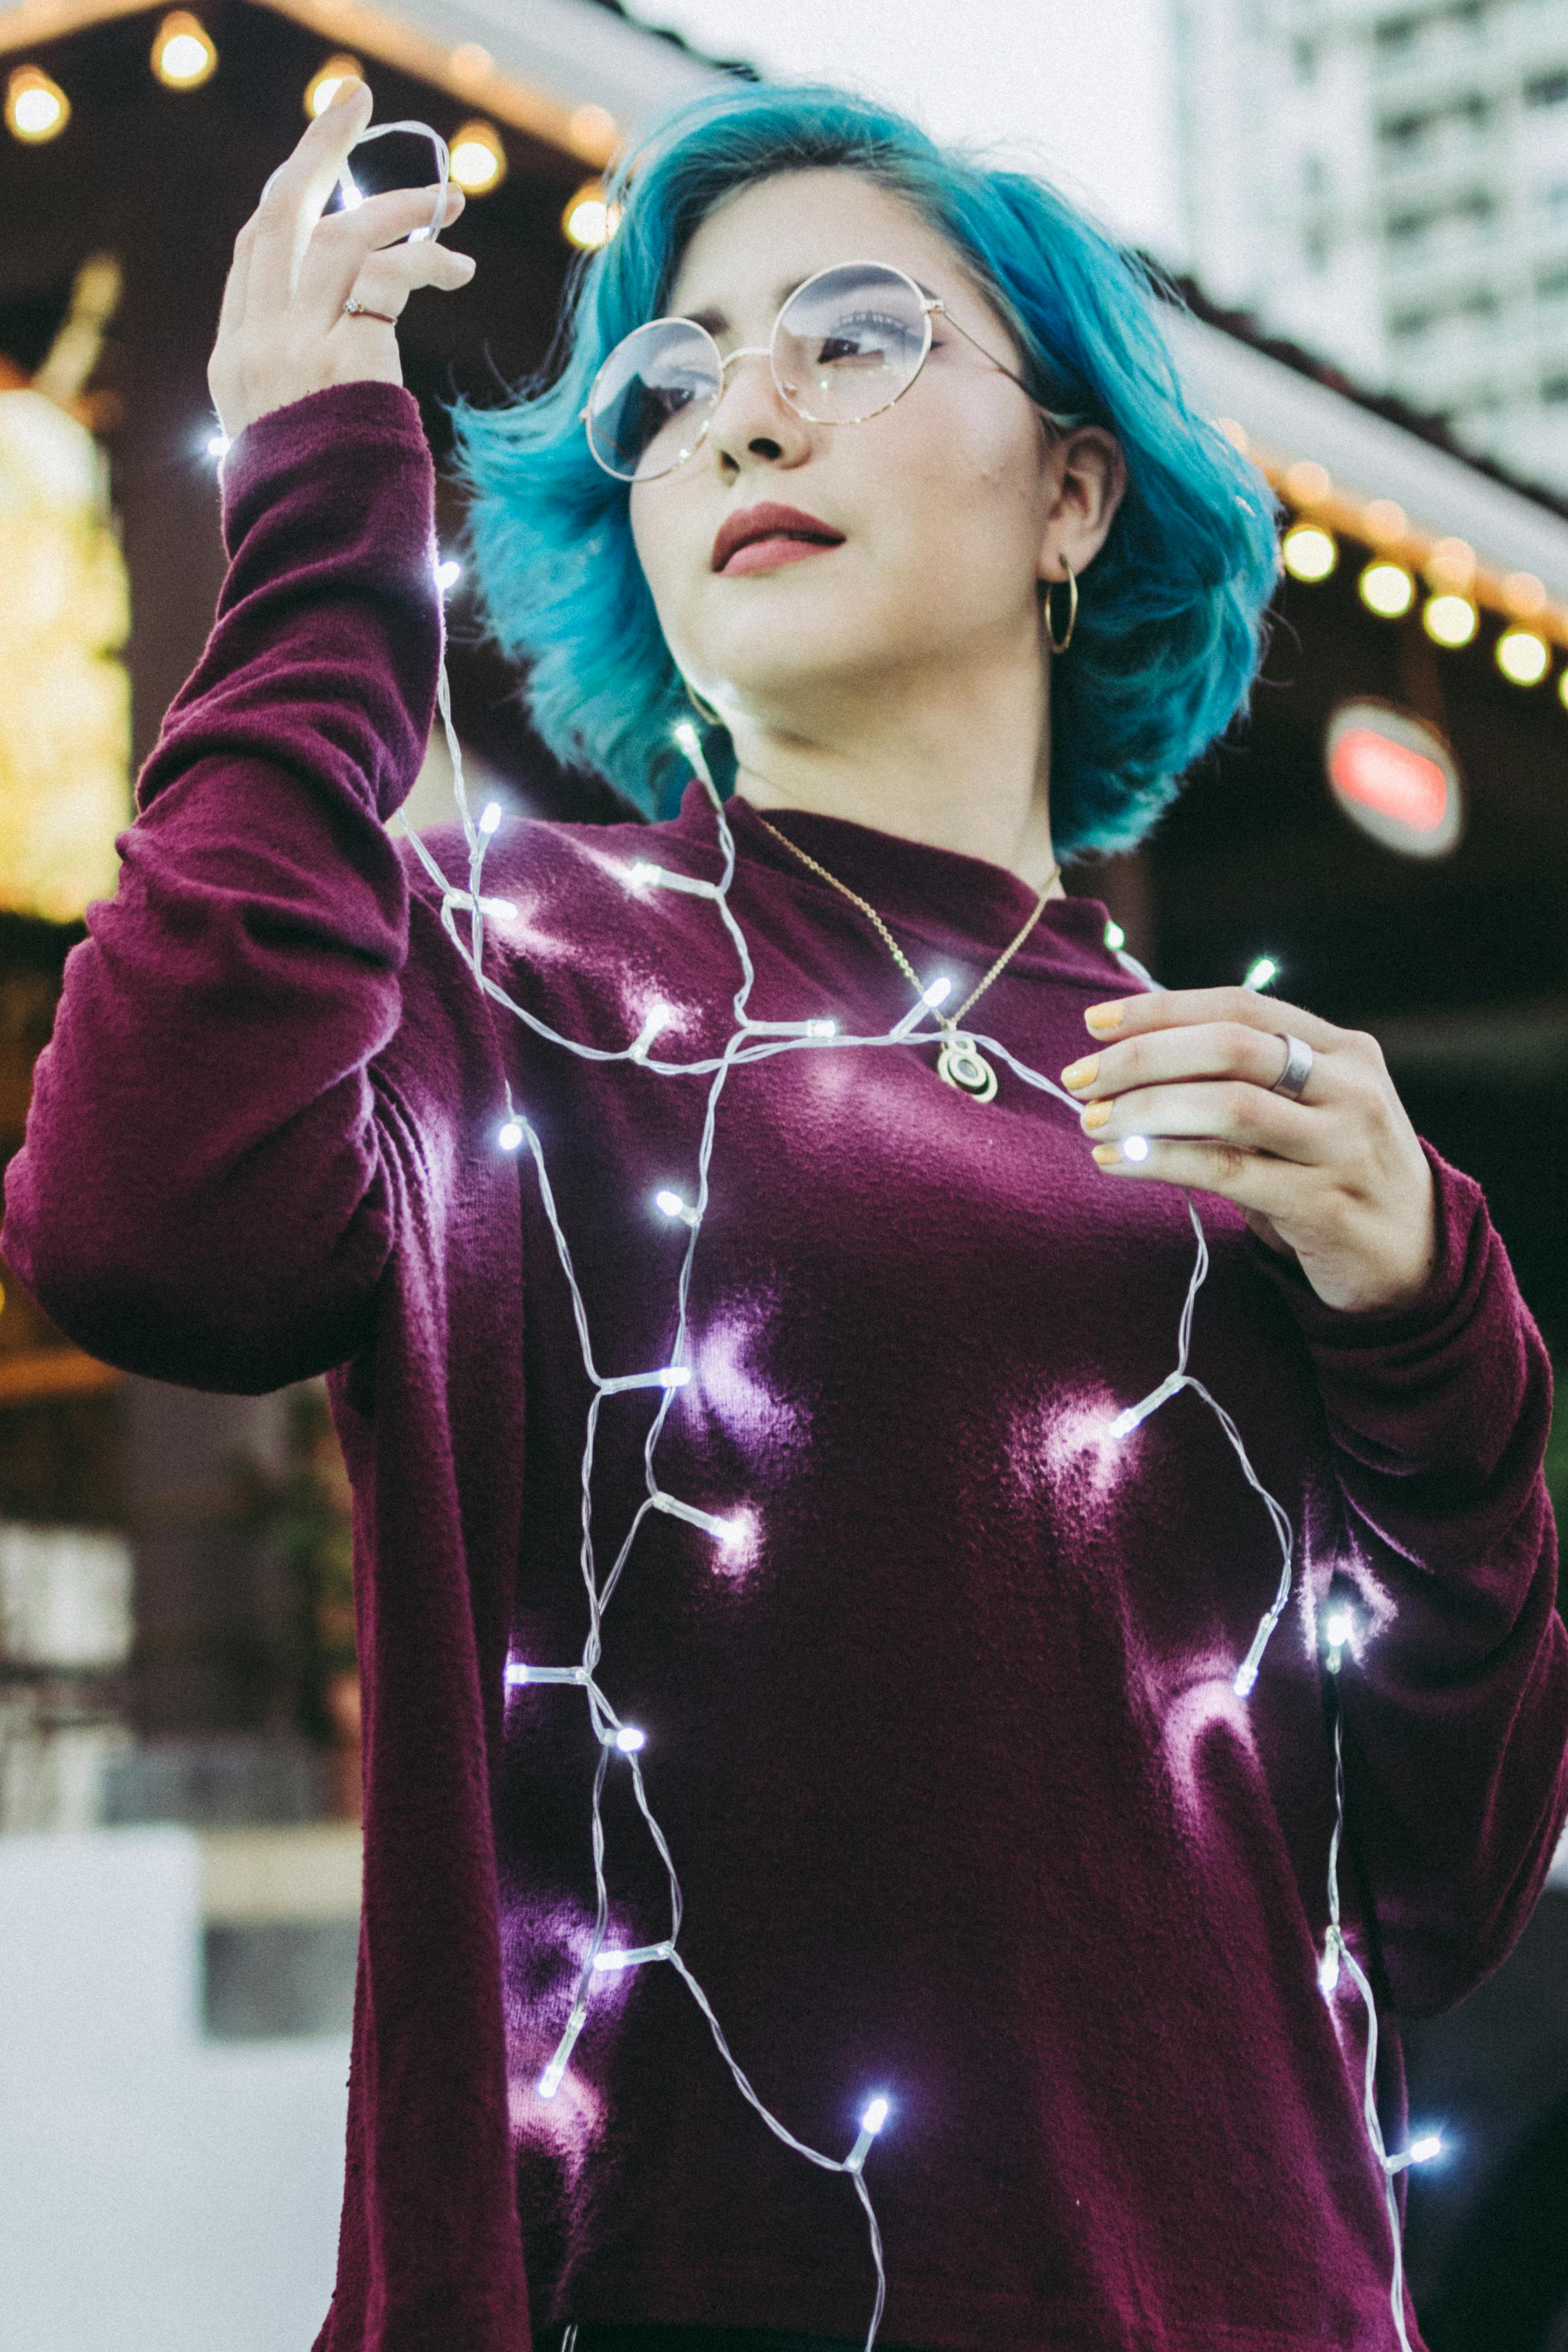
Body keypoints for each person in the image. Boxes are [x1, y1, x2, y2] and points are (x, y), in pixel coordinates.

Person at [4, 69, 1566, 2352]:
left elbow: (1438, 1888)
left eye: (850, 334)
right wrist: (323, 510)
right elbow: (150, 1223)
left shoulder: (1255, 1106)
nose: (741, 414)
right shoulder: (513, 967)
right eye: (672, 380)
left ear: (1074, 486)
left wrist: (1434, 1314)